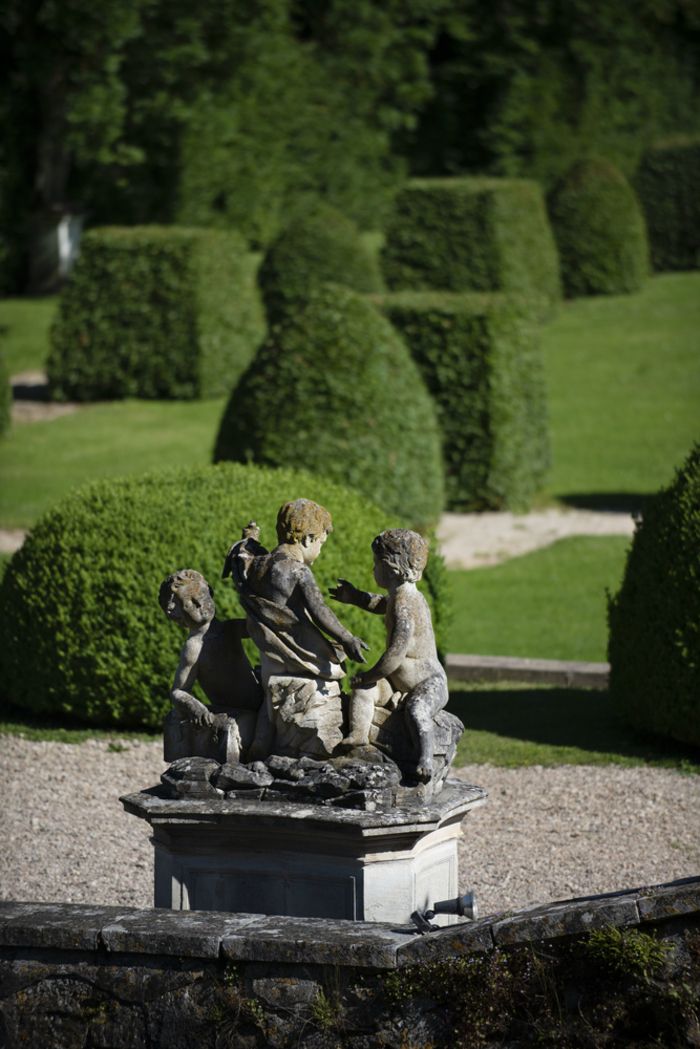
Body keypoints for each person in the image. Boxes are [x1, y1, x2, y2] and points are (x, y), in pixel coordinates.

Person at [224, 499, 368, 758]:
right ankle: (317, 752)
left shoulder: (256, 564)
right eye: (321, 544)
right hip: (298, 654)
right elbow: (320, 611)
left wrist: (249, 538)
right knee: (334, 666)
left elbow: (243, 555)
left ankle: (259, 748)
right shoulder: (298, 571)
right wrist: (347, 638)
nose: (321, 551)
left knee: (269, 703)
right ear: (308, 539)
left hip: (270, 653)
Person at [330, 528, 448, 782]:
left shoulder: (407, 606)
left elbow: (394, 657)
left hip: (428, 683)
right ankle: (359, 736)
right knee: (364, 693)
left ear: (392, 568)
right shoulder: (399, 597)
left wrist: (368, 675)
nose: (373, 569)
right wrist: (356, 597)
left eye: (376, 563)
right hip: (397, 682)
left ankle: (426, 757)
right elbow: (381, 604)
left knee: (417, 710)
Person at [159, 568, 262, 763]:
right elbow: (178, 691)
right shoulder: (194, 647)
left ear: (210, 592)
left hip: (259, 702)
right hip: (235, 711)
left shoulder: (231, 629)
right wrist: (196, 707)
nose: (200, 603)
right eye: (189, 602)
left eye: (202, 594)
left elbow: (260, 625)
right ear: (177, 615)